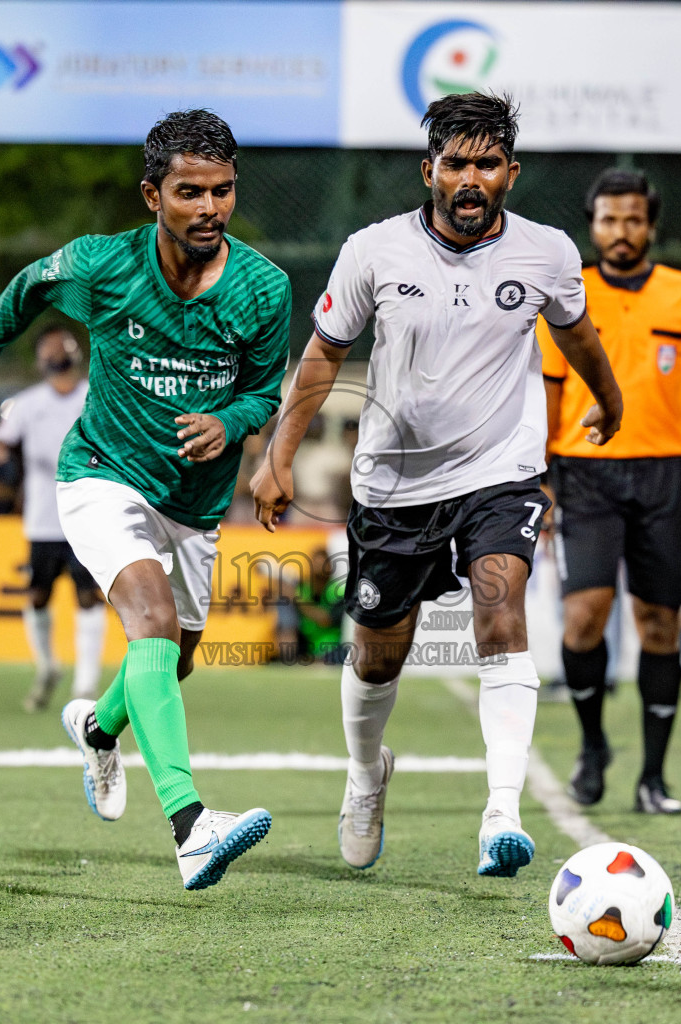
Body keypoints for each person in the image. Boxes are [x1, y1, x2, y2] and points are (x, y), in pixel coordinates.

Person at [252, 93, 623, 876]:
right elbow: (321, 357)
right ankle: (364, 775)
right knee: (379, 657)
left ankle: (502, 812)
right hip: (393, 486)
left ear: (510, 175)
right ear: (429, 171)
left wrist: (610, 398)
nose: (469, 177)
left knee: (500, 605)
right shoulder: (373, 251)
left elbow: (578, 333)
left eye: (485, 163)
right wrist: (278, 455)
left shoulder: (548, 252)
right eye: (454, 162)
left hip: (501, 472)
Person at [0, 109, 289, 891]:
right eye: (190, 192)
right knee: (154, 624)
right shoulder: (103, 265)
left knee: (176, 658)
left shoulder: (265, 287)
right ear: (151, 196)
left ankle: (99, 728)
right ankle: (192, 826)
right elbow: (27, 287)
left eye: (223, 191)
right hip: (102, 472)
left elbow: (267, 390)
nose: (210, 208)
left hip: (196, 502)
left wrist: (231, 420)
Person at [536, 167, 681, 813]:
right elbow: (548, 389)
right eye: (608, 219)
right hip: (583, 470)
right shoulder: (567, 294)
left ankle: (654, 776)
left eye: (632, 219)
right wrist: (538, 479)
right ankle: (593, 744)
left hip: (665, 473)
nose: (620, 231)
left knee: (660, 624)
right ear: (592, 225)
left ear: (649, 225)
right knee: (583, 616)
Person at [0, 325, 112, 711]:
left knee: (89, 595)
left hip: (88, 514)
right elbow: (0, 442)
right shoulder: (28, 403)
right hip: (44, 517)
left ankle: (86, 684)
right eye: (50, 347)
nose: (58, 353)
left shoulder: (95, 396)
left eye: (64, 346)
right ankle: (47, 666)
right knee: (38, 595)